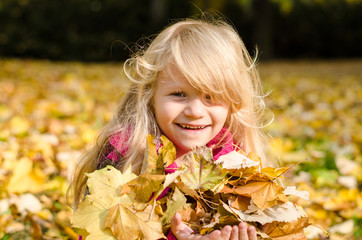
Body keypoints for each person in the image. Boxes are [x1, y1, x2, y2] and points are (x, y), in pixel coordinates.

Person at [69, 16, 272, 240]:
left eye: (210, 97)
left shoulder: (237, 164)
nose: (195, 111)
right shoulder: (127, 156)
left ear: (232, 102)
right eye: (178, 94)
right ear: (150, 95)